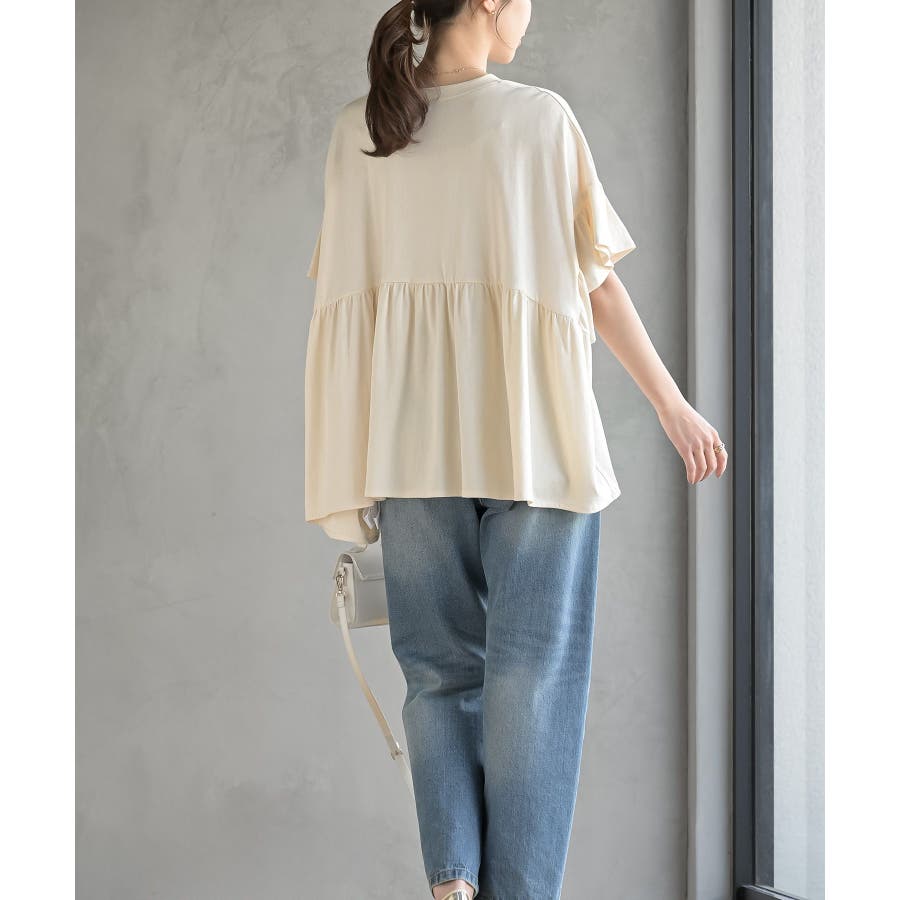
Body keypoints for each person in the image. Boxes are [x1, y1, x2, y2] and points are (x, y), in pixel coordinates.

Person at [304, 2, 727, 898]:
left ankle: (452, 882)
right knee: (535, 681)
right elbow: (597, 287)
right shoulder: (540, 120)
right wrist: (672, 405)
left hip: (410, 453)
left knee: (436, 676)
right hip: (539, 445)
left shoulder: (362, 132)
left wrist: (352, 466)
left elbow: (346, 313)